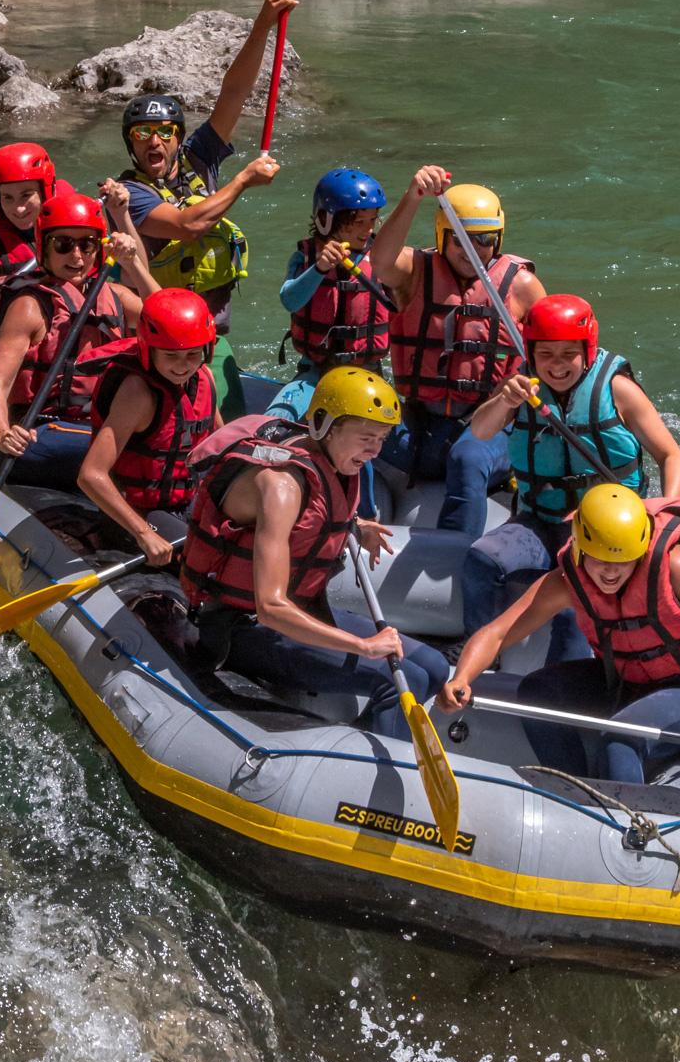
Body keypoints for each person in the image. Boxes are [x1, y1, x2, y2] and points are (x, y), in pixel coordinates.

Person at [180, 367, 449, 734]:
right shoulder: (281, 488)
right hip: (242, 627)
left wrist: (358, 526)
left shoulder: (333, 461)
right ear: (324, 425)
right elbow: (271, 608)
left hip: (301, 610)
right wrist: (361, 645)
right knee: (400, 681)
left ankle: (361, 736)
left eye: (382, 439)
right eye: (366, 437)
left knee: (433, 667)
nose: (374, 452)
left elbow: (314, 520)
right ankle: (383, 773)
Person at [439, 484, 680, 783]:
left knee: (622, 739)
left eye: (622, 561)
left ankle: (627, 826)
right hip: (627, 682)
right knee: (537, 691)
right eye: (600, 558)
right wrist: (462, 678)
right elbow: (497, 632)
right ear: (579, 546)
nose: (610, 571)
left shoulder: (678, 568)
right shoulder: (566, 581)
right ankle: (578, 789)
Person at [460, 294, 680, 662]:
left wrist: (662, 509)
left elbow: (671, 456)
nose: (557, 365)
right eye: (546, 354)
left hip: (603, 530)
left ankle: (569, 683)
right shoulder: (520, 389)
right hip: (540, 519)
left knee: (574, 604)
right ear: (532, 353)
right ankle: (478, 655)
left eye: (569, 354)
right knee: (482, 560)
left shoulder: (618, 390)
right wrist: (504, 399)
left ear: (588, 349)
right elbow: (482, 431)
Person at [116, 0, 296, 420]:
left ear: (178, 139)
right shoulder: (130, 193)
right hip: (163, 340)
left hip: (211, 334)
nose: (153, 143)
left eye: (164, 134)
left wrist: (264, 23)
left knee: (228, 419)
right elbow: (186, 225)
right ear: (131, 145)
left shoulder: (200, 160)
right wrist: (243, 182)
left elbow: (234, 92)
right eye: (142, 135)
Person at [369, 170, 545, 536]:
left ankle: (452, 558)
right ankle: (349, 522)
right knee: (348, 423)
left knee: (467, 458)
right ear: (441, 236)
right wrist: (413, 195)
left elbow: (555, 352)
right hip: (417, 425)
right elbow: (380, 260)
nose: (474, 251)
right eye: (461, 240)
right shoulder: (414, 271)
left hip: (487, 426)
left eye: (485, 240)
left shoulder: (522, 285)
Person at [0, 192, 153, 491]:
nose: (77, 255)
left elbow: (170, 322)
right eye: (63, 244)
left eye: (87, 244)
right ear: (44, 249)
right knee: (138, 451)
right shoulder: (30, 306)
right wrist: (1, 434)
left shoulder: (115, 296)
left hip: (97, 425)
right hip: (43, 430)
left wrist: (133, 263)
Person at [78, 288, 218, 567]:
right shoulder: (138, 395)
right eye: (170, 356)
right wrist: (144, 534)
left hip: (183, 505)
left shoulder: (203, 376)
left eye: (193, 354)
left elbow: (220, 447)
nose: (183, 366)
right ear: (147, 348)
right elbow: (90, 475)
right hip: (138, 514)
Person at [0, 143, 143, 333]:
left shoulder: (80, 236)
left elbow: (136, 276)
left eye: (26, 195)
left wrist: (120, 213)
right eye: (7, 197)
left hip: (86, 344)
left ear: (46, 191)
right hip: (29, 356)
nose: (19, 208)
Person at [268, 167, 391, 421]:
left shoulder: (385, 259)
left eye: (373, 220)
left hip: (366, 373)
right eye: (359, 221)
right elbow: (290, 300)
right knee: (276, 422)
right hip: (315, 372)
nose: (368, 229)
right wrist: (320, 268)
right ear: (328, 220)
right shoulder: (305, 258)